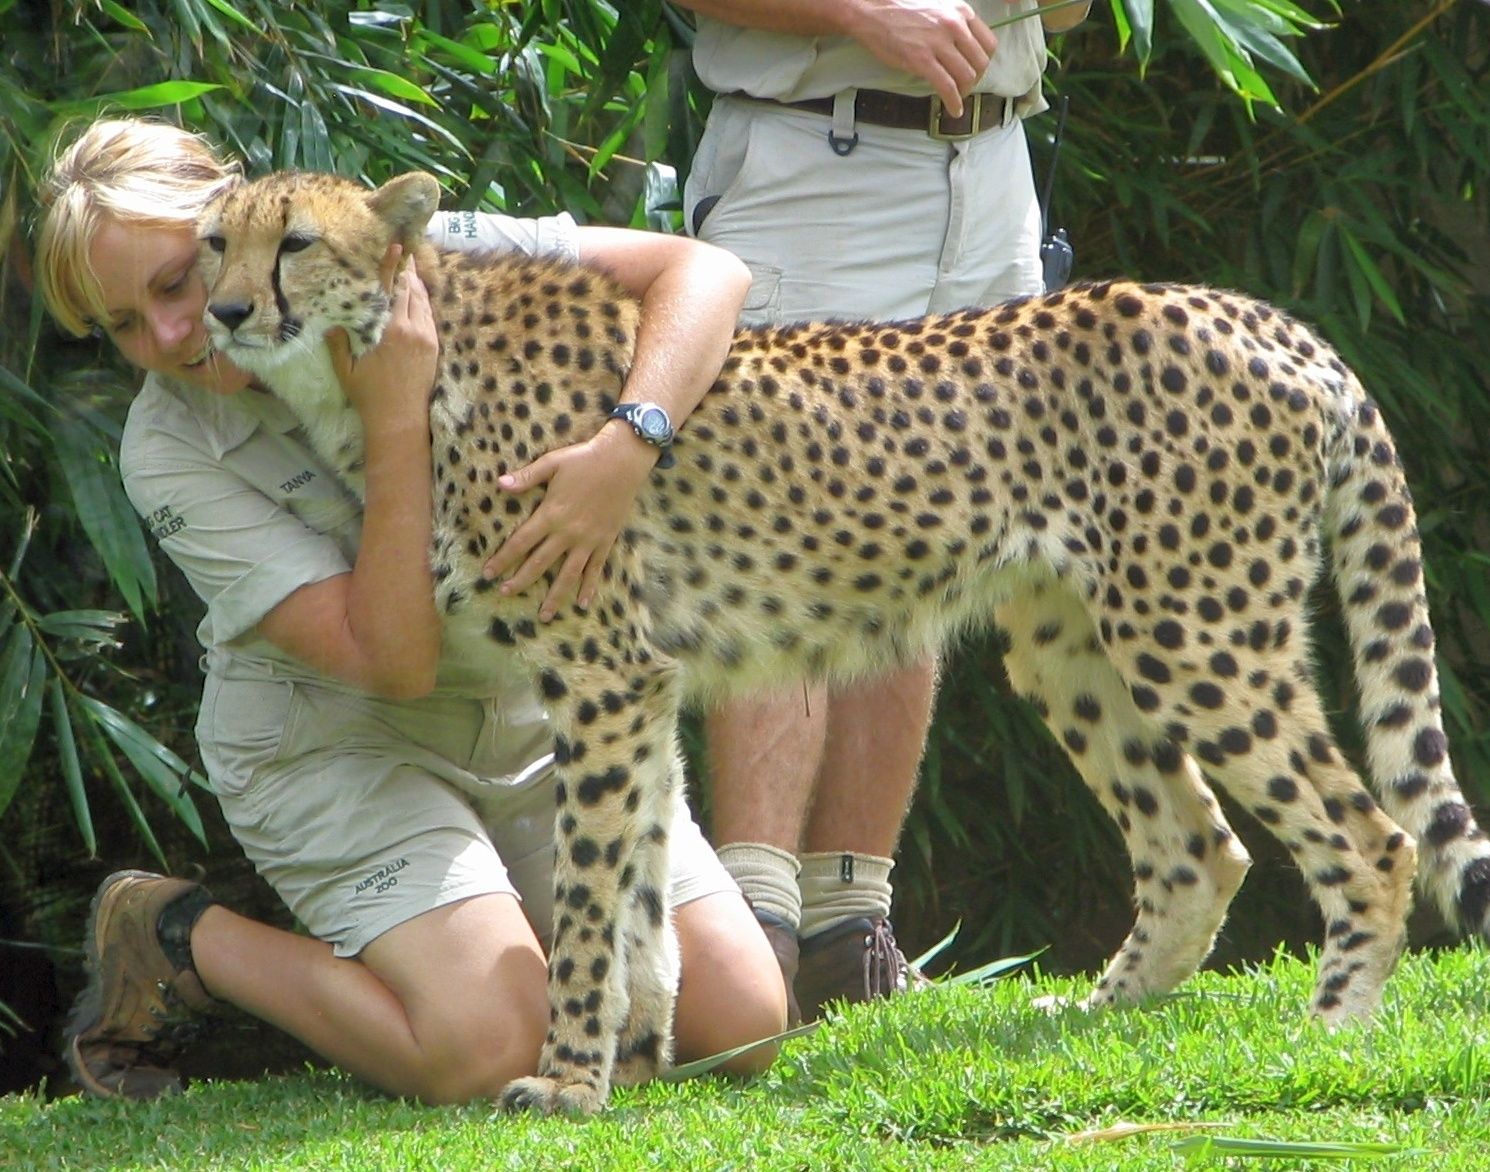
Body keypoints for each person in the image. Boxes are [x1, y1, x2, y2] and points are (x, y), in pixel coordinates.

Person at [37, 117, 787, 1105]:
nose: (180, 332)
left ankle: (500, 920)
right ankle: (174, 934)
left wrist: (628, 442)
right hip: (339, 741)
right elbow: (394, 662)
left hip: (531, 714)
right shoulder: (167, 449)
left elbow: (702, 272)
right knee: (492, 1045)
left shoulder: (401, 244)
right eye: (124, 325)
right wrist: (396, 412)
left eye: (178, 280)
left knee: (737, 1025)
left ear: (238, 212)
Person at [659, 0, 1093, 1025]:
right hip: (815, 157)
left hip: (990, 166)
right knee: (782, 542)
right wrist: (864, 13)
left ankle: (850, 933)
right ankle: (755, 930)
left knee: (927, 546)